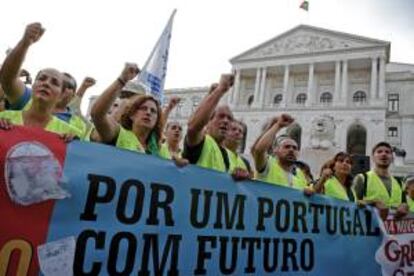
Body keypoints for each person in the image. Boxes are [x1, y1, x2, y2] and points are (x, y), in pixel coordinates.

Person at [0, 22, 81, 138]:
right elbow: (7, 78)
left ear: (62, 95)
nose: (46, 83)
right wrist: (25, 43)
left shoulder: (71, 132)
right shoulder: (4, 118)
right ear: (33, 86)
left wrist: (74, 145)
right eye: (42, 79)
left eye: (54, 83)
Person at [90, 63, 171, 159]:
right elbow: (97, 115)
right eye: (143, 108)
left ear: (157, 119)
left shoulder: (160, 149)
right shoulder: (119, 134)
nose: (148, 112)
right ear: (132, 115)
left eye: (153, 111)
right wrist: (122, 80)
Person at [183, 74, 249, 179]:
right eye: (221, 116)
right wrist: (220, 90)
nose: (225, 121)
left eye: (229, 118)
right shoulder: (202, 142)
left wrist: (241, 177)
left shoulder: (229, 157)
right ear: (208, 122)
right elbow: (192, 127)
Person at [251, 115, 309, 190]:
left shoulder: (300, 176)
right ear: (275, 150)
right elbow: (259, 150)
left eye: (295, 148)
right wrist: (278, 126)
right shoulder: (268, 166)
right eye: (287, 147)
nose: (291, 150)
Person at [353, 142, 408, 218]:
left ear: (392, 158)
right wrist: (373, 202)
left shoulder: (399, 182)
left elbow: (404, 204)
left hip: (393, 228)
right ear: (373, 157)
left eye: (387, 152)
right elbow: (351, 203)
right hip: (369, 227)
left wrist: (405, 206)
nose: (384, 154)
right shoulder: (362, 178)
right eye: (379, 152)